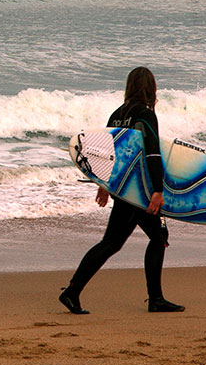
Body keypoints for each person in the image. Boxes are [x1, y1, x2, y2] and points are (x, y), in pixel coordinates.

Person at [59, 67, 184, 314]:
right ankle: (153, 300)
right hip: (139, 190)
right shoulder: (145, 115)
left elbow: (106, 154)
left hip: (123, 188)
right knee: (141, 240)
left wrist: (105, 186)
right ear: (150, 88)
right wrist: (158, 190)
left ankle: (74, 291)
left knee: (139, 239)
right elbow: (152, 153)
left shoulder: (116, 115)